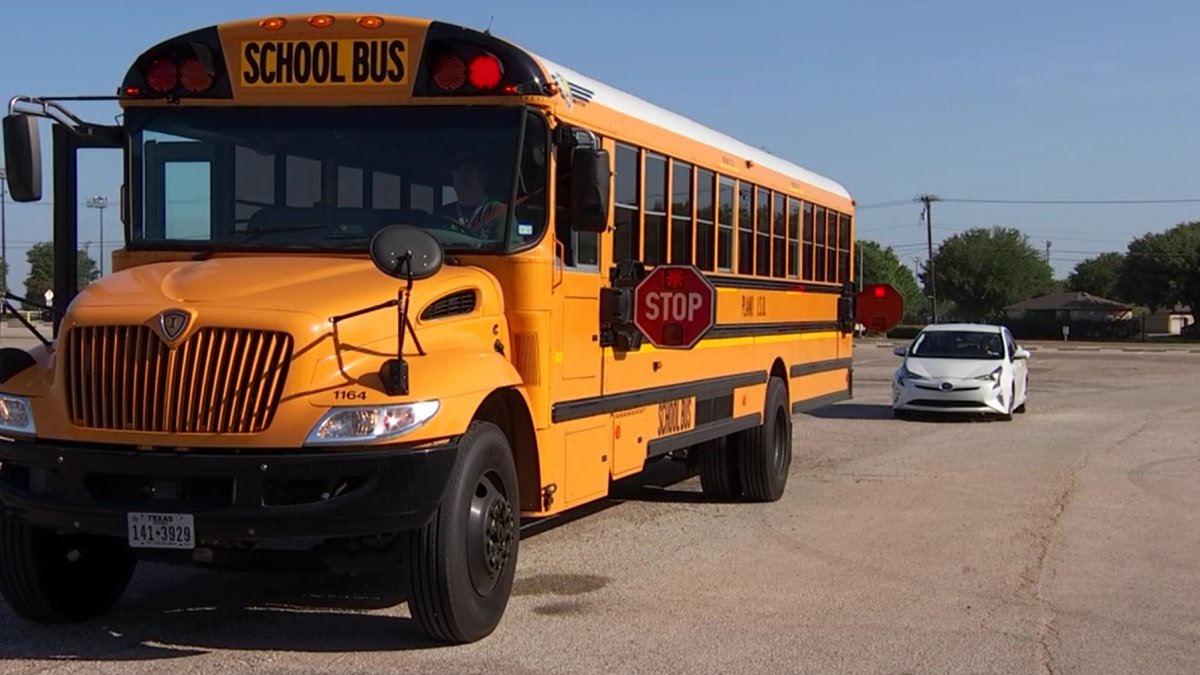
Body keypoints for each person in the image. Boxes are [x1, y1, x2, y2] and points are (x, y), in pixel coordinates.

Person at [440, 152, 508, 239]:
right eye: (457, 178)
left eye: (466, 179)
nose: (461, 181)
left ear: (481, 178)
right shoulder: (443, 214)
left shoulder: (497, 211)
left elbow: (510, 249)